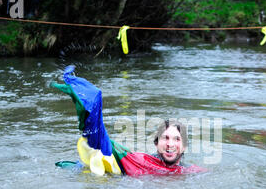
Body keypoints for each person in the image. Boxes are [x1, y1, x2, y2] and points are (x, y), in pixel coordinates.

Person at [51, 66, 206, 176]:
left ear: (184, 146)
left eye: (177, 139)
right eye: (165, 138)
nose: (170, 144)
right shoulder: (139, 161)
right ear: (156, 143)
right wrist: (92, 106)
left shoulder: (192, 173)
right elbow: (106, 145)